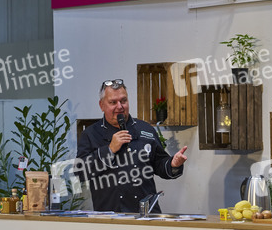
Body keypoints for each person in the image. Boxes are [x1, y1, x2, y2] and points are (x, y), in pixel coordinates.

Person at [76, 79, 188, 212]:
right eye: (113, 102)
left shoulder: (145, 129)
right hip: (110, 216)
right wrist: (109, 150)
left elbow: (160, 164)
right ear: (102, 105)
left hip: (147, 214)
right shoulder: (90, 134)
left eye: (123, 101)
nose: (120, 106)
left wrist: (173, 164)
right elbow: (80, 172)